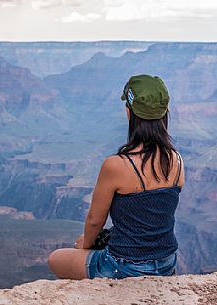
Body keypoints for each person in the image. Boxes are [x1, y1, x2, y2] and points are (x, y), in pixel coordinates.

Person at [47, 74, 185, 280]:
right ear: (164, 113)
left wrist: (85, 246)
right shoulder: (177, 160)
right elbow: (150, 216)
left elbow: (95, 220)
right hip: (166, 262)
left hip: (124, 266)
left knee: (55, 258)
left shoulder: (117, 165)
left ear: (130, 113)